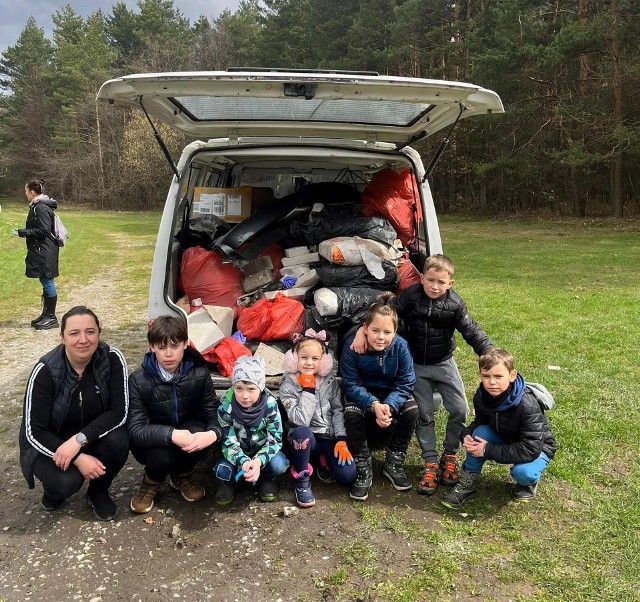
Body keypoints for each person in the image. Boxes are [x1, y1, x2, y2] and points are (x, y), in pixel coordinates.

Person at [351, 254, 493, 497]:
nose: (435, 286)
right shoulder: (410, 296)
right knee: (424, 413)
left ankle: (449, 454)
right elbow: (385, 315)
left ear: (451, 284)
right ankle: (430, 462)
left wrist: (489, 353)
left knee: (460, 409)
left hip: (443, 362)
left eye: (441, 282)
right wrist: (361, 332)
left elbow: (471, 330)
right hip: (416, 365)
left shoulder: (455, 304)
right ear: (421, 277)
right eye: (430, 280)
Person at [19, 306, 129, 521]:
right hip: (50, 443)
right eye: (74, 333)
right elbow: (34, 432)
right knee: (66, 483)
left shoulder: (112, 358)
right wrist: (77, 458)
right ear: (62, 337)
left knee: (120, 439)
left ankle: (98, 491)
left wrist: (79, 441)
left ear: (99, 332)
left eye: (90, 331)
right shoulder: (45, 370)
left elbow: (119, 411)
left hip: (89, 436)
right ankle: (53, 491)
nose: (83, 339)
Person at [126, 316, 221, 514]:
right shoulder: (137, 380)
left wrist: (213, 433)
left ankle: (181, 475)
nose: (169, 354)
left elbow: (211, 410)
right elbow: (135, 430)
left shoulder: (200, 372)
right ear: (151, 347)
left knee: (202, 435)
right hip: (154, 442)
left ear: (185, 344)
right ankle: (151, 481)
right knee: (162, 457)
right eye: (161, 347)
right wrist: (171, 435)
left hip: (188, 431)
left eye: (175, 346)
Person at [442, 348, 558, 510]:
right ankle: (466, 483)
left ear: (512, 375)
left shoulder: (527, 405)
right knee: (478, 434)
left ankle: (528, 483)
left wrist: (487, 450)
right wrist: (466, 434)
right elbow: (480, 421)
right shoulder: (482, 395)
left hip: (536, 448)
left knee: (523, 473)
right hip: (506, 437)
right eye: (486, 376)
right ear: (480, 375)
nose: (492, 382)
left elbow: (530, 449)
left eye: (498, 376)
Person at [340, 293, 418, 501]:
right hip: (362, 393)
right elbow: (351, 383)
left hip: (391, 393)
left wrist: (389, 406)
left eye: (387, 332)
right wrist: (373, 404)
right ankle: (363, 465)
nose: (380, 337)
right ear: (365, 328)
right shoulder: (352, 347)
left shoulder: (401, 346)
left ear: (395, 332)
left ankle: (394, 461)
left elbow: (406, 382)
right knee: (352, 415)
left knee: (412, 410)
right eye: (375, 330)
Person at [280, 329, 356, 508]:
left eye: (315, 359)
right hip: (306, 438)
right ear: (294, 359)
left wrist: (341, 439)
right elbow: (300, 421)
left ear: (324, 362)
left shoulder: (329, 381)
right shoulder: (288, 385)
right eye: (303, 357)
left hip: (327, 436)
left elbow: (337, 410)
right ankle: (301, 478)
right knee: (301, 432)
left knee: (348, 476)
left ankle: (323, 460)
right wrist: (308, 390)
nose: (308, 363)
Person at [213, 356, 289, 505]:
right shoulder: (225, 407)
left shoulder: (270, 405)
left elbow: (275, 438)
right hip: (236, 453)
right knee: (221, 470)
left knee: (279, 465)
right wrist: (243, 460)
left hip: (263, 451)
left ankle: (268, 478)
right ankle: (229, 482)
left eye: (251, 389)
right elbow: (228, 441)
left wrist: (259, 460)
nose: (244, 396)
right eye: (239, 388)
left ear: (260, 388)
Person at [12, 179, 61, 330]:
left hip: (45, 250)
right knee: (44, 280)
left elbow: (45, 230)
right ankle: (46, 314)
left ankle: (51, 317)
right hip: (43, 250)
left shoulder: (40, 207)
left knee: (47, 281)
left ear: (32, 192)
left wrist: (23, 232)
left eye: (26, 191)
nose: (25, 193)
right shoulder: (38, 206)